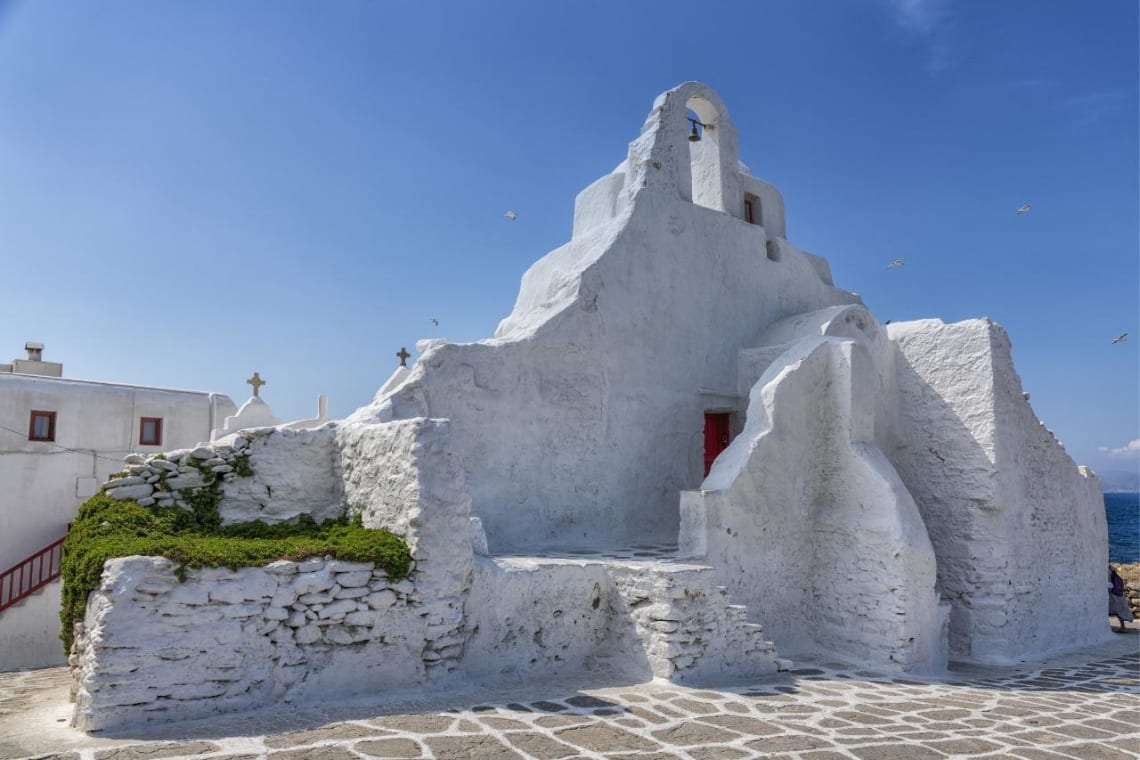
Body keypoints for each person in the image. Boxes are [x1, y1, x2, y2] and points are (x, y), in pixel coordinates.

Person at [1108, 566, 1133, 633]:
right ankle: (1122, 626)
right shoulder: (1111, 569)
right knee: (1119, 611)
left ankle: (1123, 627)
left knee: (1117, 611)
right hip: (1117, 593)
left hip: (1113, 594)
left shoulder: (1108, 571)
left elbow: (1109, 583)